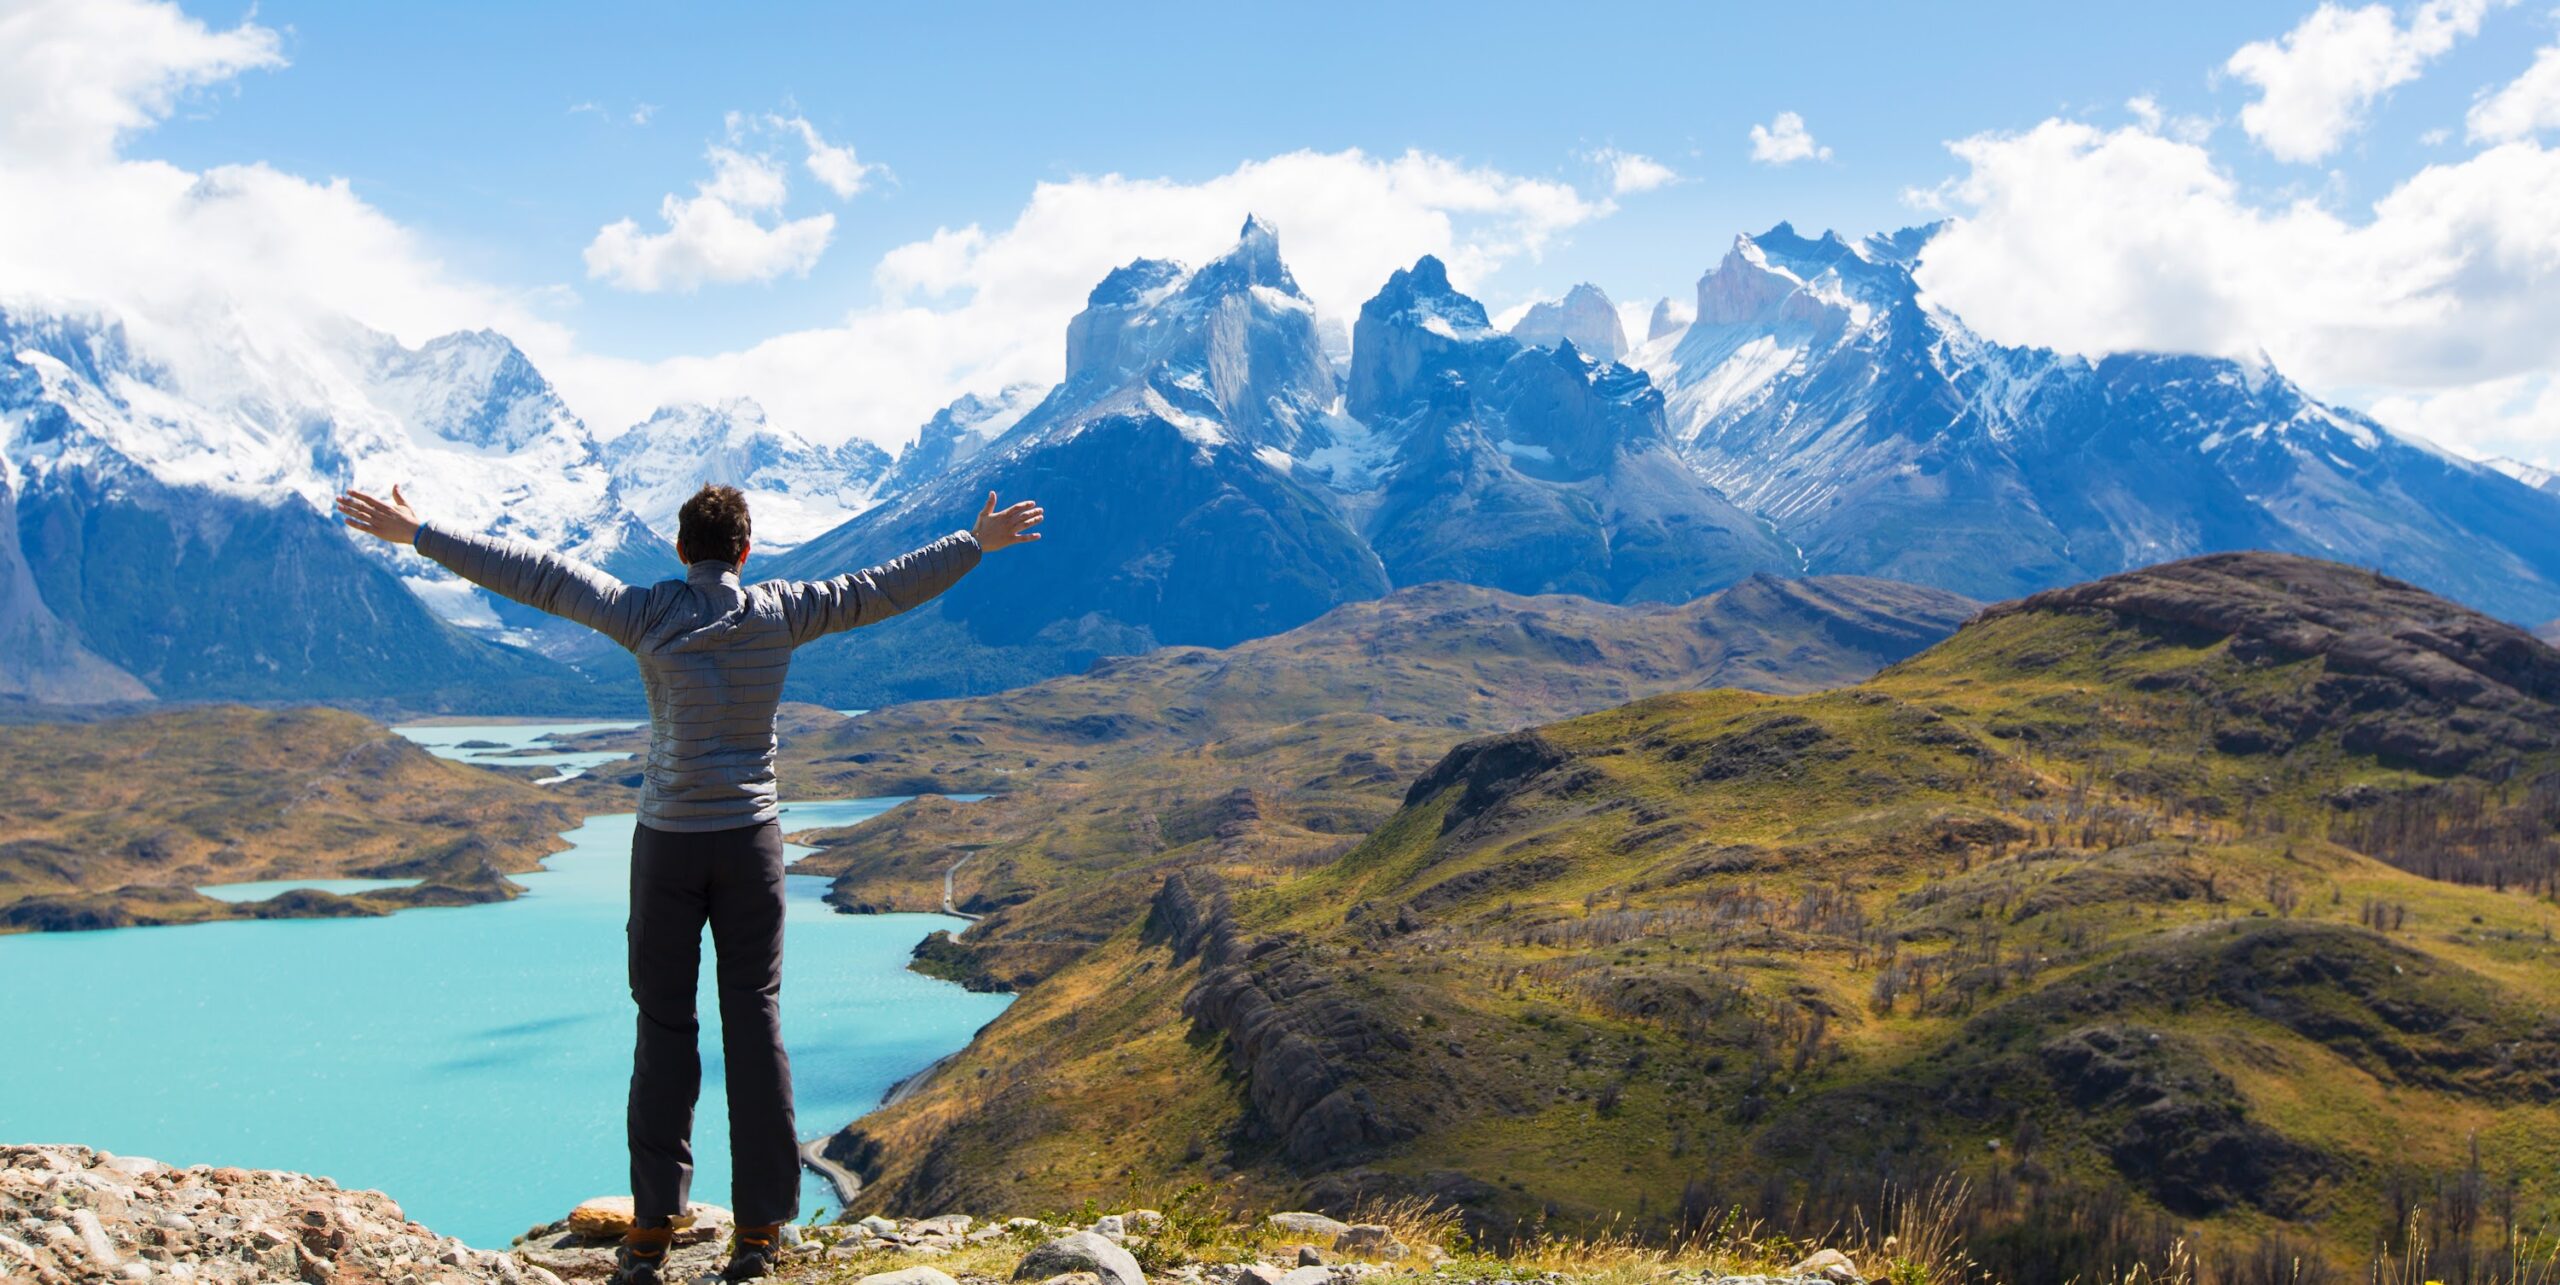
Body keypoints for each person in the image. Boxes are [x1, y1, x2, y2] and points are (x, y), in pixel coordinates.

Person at [336, 481, 1042, 1283]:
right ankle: (759, 1233)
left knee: (663, 1027)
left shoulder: (645, 613)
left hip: (667, 844)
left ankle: (650, 1231)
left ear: (680, 551)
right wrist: (973, 543)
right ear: (747, 551)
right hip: (751, 844)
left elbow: (535, 573)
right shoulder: (783, 609)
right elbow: (882, 587)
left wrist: (422, 530)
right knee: (755, 1024)